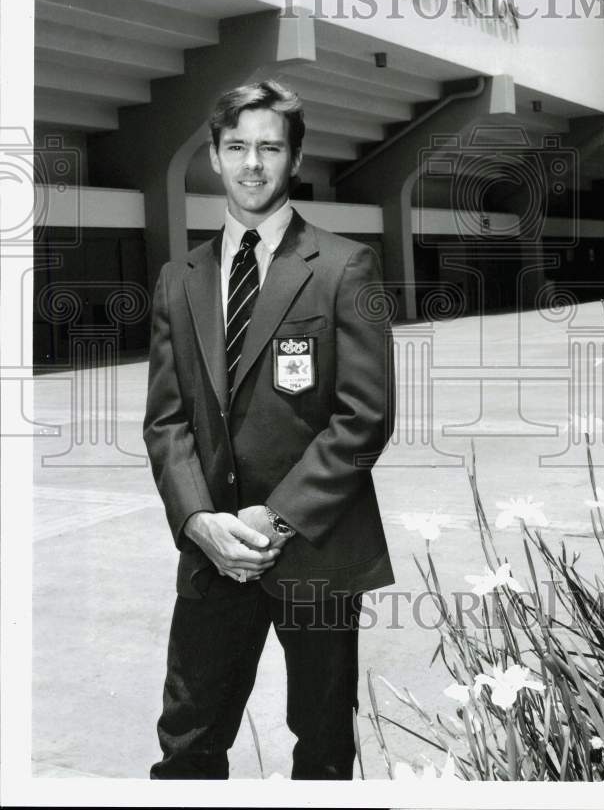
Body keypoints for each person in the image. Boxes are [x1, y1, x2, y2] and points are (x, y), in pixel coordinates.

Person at [143, 79, 396, 780]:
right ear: (215, 159)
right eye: (236, 147)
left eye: (268, 148)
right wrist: (200, 521)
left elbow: (363, 419)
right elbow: (165, 419)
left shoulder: (347, 267)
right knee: (187, 742)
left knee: (320, 748)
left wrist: (273, 520)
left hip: (314, 552)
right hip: (212, 557)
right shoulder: (178, 279)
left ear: (293, 159)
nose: (252, 163)